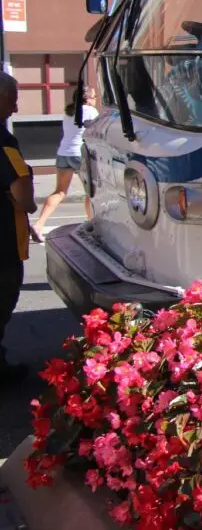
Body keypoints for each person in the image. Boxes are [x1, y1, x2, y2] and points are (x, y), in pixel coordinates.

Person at [0, 72, 36, 383]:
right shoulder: (4, 141)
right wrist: (28, 206)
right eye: (12, 98)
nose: (15, 106)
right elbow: (21, 188)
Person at [31, 87, 98, 242]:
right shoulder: (90, 111)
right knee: (91, 192)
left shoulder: (68, 112)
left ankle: (39, 224)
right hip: (80, 154)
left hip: (64, 153)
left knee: (59, 192)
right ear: (87, 98)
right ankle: (92, 226)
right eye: (94, 97)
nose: (95, 100)